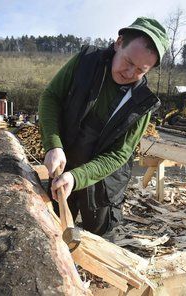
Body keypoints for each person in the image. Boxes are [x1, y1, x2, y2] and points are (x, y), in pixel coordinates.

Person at [39, 17, 169, 236]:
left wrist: (78, 177)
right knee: (54, 226)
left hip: (104, 181)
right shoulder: (86, 62)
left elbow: (119, 155)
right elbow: (51, 97)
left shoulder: (142, 103)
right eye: (128, 62)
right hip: (65, 161)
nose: (129, 74)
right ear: (119, 43)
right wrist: (53, 145)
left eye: (140, 70)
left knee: (100, 234)